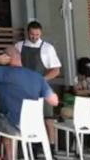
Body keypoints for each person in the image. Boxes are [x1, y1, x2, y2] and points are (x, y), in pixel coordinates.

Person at [0, 46, 59, 160]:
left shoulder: (3, 72)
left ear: (6, 58)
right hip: (33, 127)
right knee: (4, 118)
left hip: (13, 125)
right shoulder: (37, 77)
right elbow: (54, 101)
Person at [15, 20, 61, 153]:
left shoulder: (48, 48)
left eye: (37, 35)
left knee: (47, 118)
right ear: (27, 33)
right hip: (23, 87)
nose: (34, 37)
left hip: (42, 87)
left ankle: (51, 148)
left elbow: (56, 70)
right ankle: (30, 147)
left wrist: (41, 79)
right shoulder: (19, 46)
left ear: (40, 33)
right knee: (26, 117)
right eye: (32, 34)